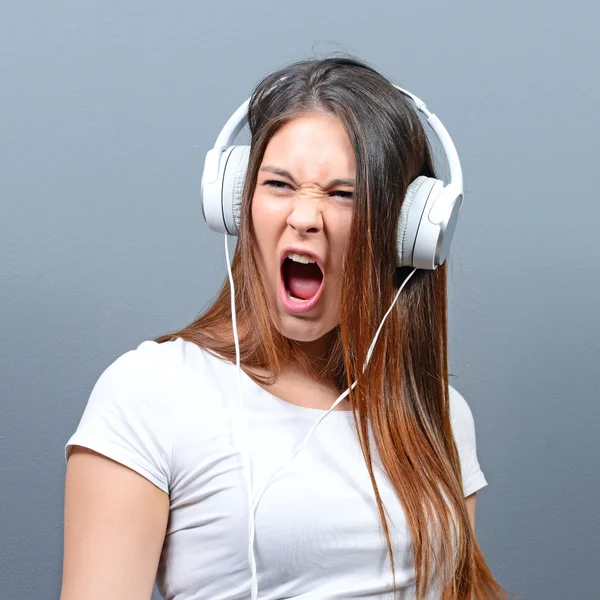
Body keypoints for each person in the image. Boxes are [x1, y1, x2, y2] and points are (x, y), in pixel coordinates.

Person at [61, 57, 510, 600]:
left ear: (407, 231)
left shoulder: (437, 412)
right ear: (238, 203)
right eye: (279, 184)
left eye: (344, 194)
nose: (304, 216)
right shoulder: (151, 393)